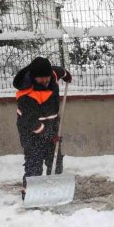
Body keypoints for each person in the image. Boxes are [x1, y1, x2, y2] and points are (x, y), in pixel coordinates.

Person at [13, 57, 72, 200]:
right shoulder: (26, 94)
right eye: (41, 79)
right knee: (35, 163)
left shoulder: (52, 76)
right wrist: (49, 135)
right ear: (34, 77)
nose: (46, 81)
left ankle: (54, 191)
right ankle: (29, 195)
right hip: (31, 132)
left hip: (50, 126)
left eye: (47, 77)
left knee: (56, 160)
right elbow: (31, 123)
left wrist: (66, 75)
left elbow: (59, 72)